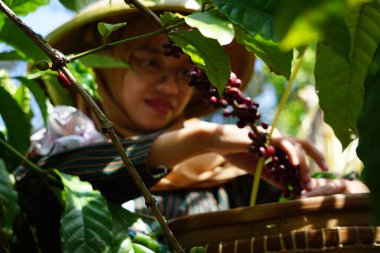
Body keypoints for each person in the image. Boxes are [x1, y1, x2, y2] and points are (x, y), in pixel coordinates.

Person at [14, 0, 369, 252]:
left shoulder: (237, 181)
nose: (170, 86)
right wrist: (202, 139)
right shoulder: (55, 156)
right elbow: (39, 197)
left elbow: (318, 204)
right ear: (106, 64)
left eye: (187, 73)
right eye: (151, 62)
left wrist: (349, 198)